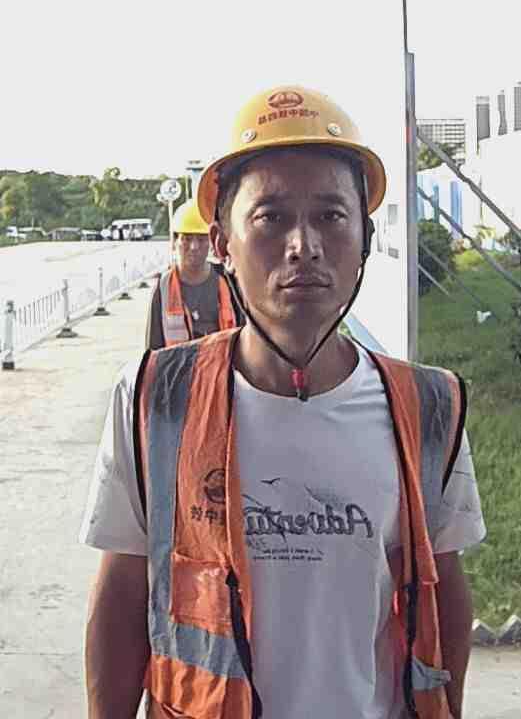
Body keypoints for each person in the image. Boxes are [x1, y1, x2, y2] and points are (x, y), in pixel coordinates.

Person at [80, 85, 485, 719]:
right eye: (270, 217)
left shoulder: (428, 407)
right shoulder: (157, 399)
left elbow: (445, 591)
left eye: (331, 215)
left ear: (365, 236)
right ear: (222, 243)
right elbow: (123, 592)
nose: (304, 245)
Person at [145, 197, 240, 348]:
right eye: (187, 239)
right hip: (178, 363)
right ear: (175, 242)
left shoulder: (228, 280)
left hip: (221, 361)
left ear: (211, 241)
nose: (194, 247)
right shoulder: (163, 287)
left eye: (201, 239)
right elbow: (153, 348)